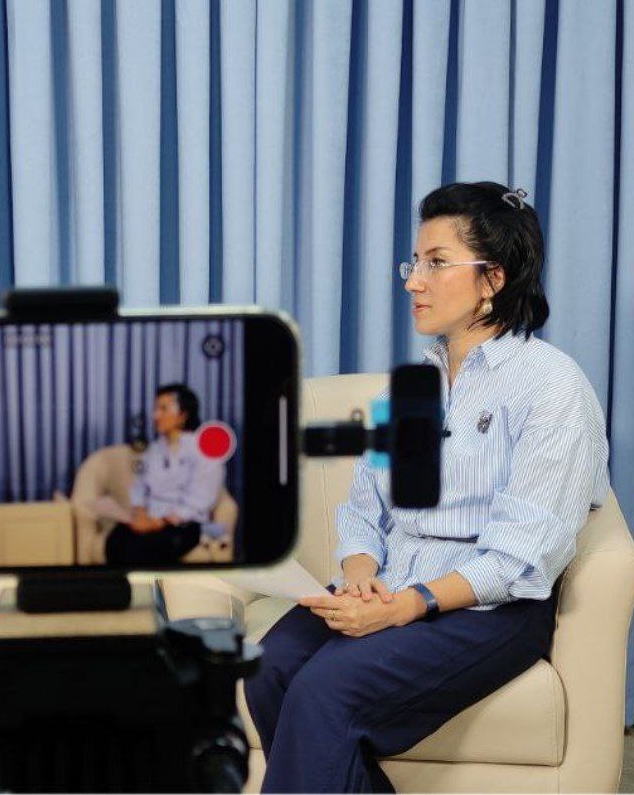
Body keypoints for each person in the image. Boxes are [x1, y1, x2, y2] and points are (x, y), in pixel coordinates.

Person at [244, 183, 610, 792]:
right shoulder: (411, 385)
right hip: (392, 579)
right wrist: (360, 576)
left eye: (436, 263)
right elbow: (364, 509)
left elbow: (522, 556)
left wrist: (406, 605)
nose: (414, 281)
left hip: (489, 608)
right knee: (269, 667)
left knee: (326, 691)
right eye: (414, 263)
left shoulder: (553, 388)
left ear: (493, 279)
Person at [101, 383, 226, 565]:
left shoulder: (205, 449)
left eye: (163, 409)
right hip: (152, 517)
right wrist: (139, 512)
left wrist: (157, 523)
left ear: (182, 415)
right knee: (115, 541)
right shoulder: (154, 449)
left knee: (138, 549)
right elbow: (140, 486)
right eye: (155, 409)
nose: (155, 416)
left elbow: (199, 501)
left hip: (185, 523)